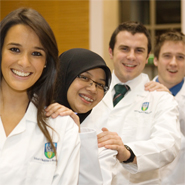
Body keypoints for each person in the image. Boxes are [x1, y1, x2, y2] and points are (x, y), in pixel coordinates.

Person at [81, 21, 181, 184]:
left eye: (139, 50)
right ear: (111, 52)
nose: (131, 56)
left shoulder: (161, 98)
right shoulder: (88, 92)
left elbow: (169, 145)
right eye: (124, 48)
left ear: (148, 54)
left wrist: (128, 153)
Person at [0, 8, 80, 185]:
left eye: (36, 53)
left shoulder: (63, 127)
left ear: (46, 63)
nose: (24, 63)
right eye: (14, 49)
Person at [45, 48, 117, 184]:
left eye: (101, 85)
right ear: (63, 75)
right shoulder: (31, 116)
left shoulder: (101, 138)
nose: (93, 89)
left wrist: (76, 134)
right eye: (84, 77)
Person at [145, 30, 185, 185]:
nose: (173, 63)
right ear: (155, 60)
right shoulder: (141, 93)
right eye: (167, 56)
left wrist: (168, 100)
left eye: (180, 57)